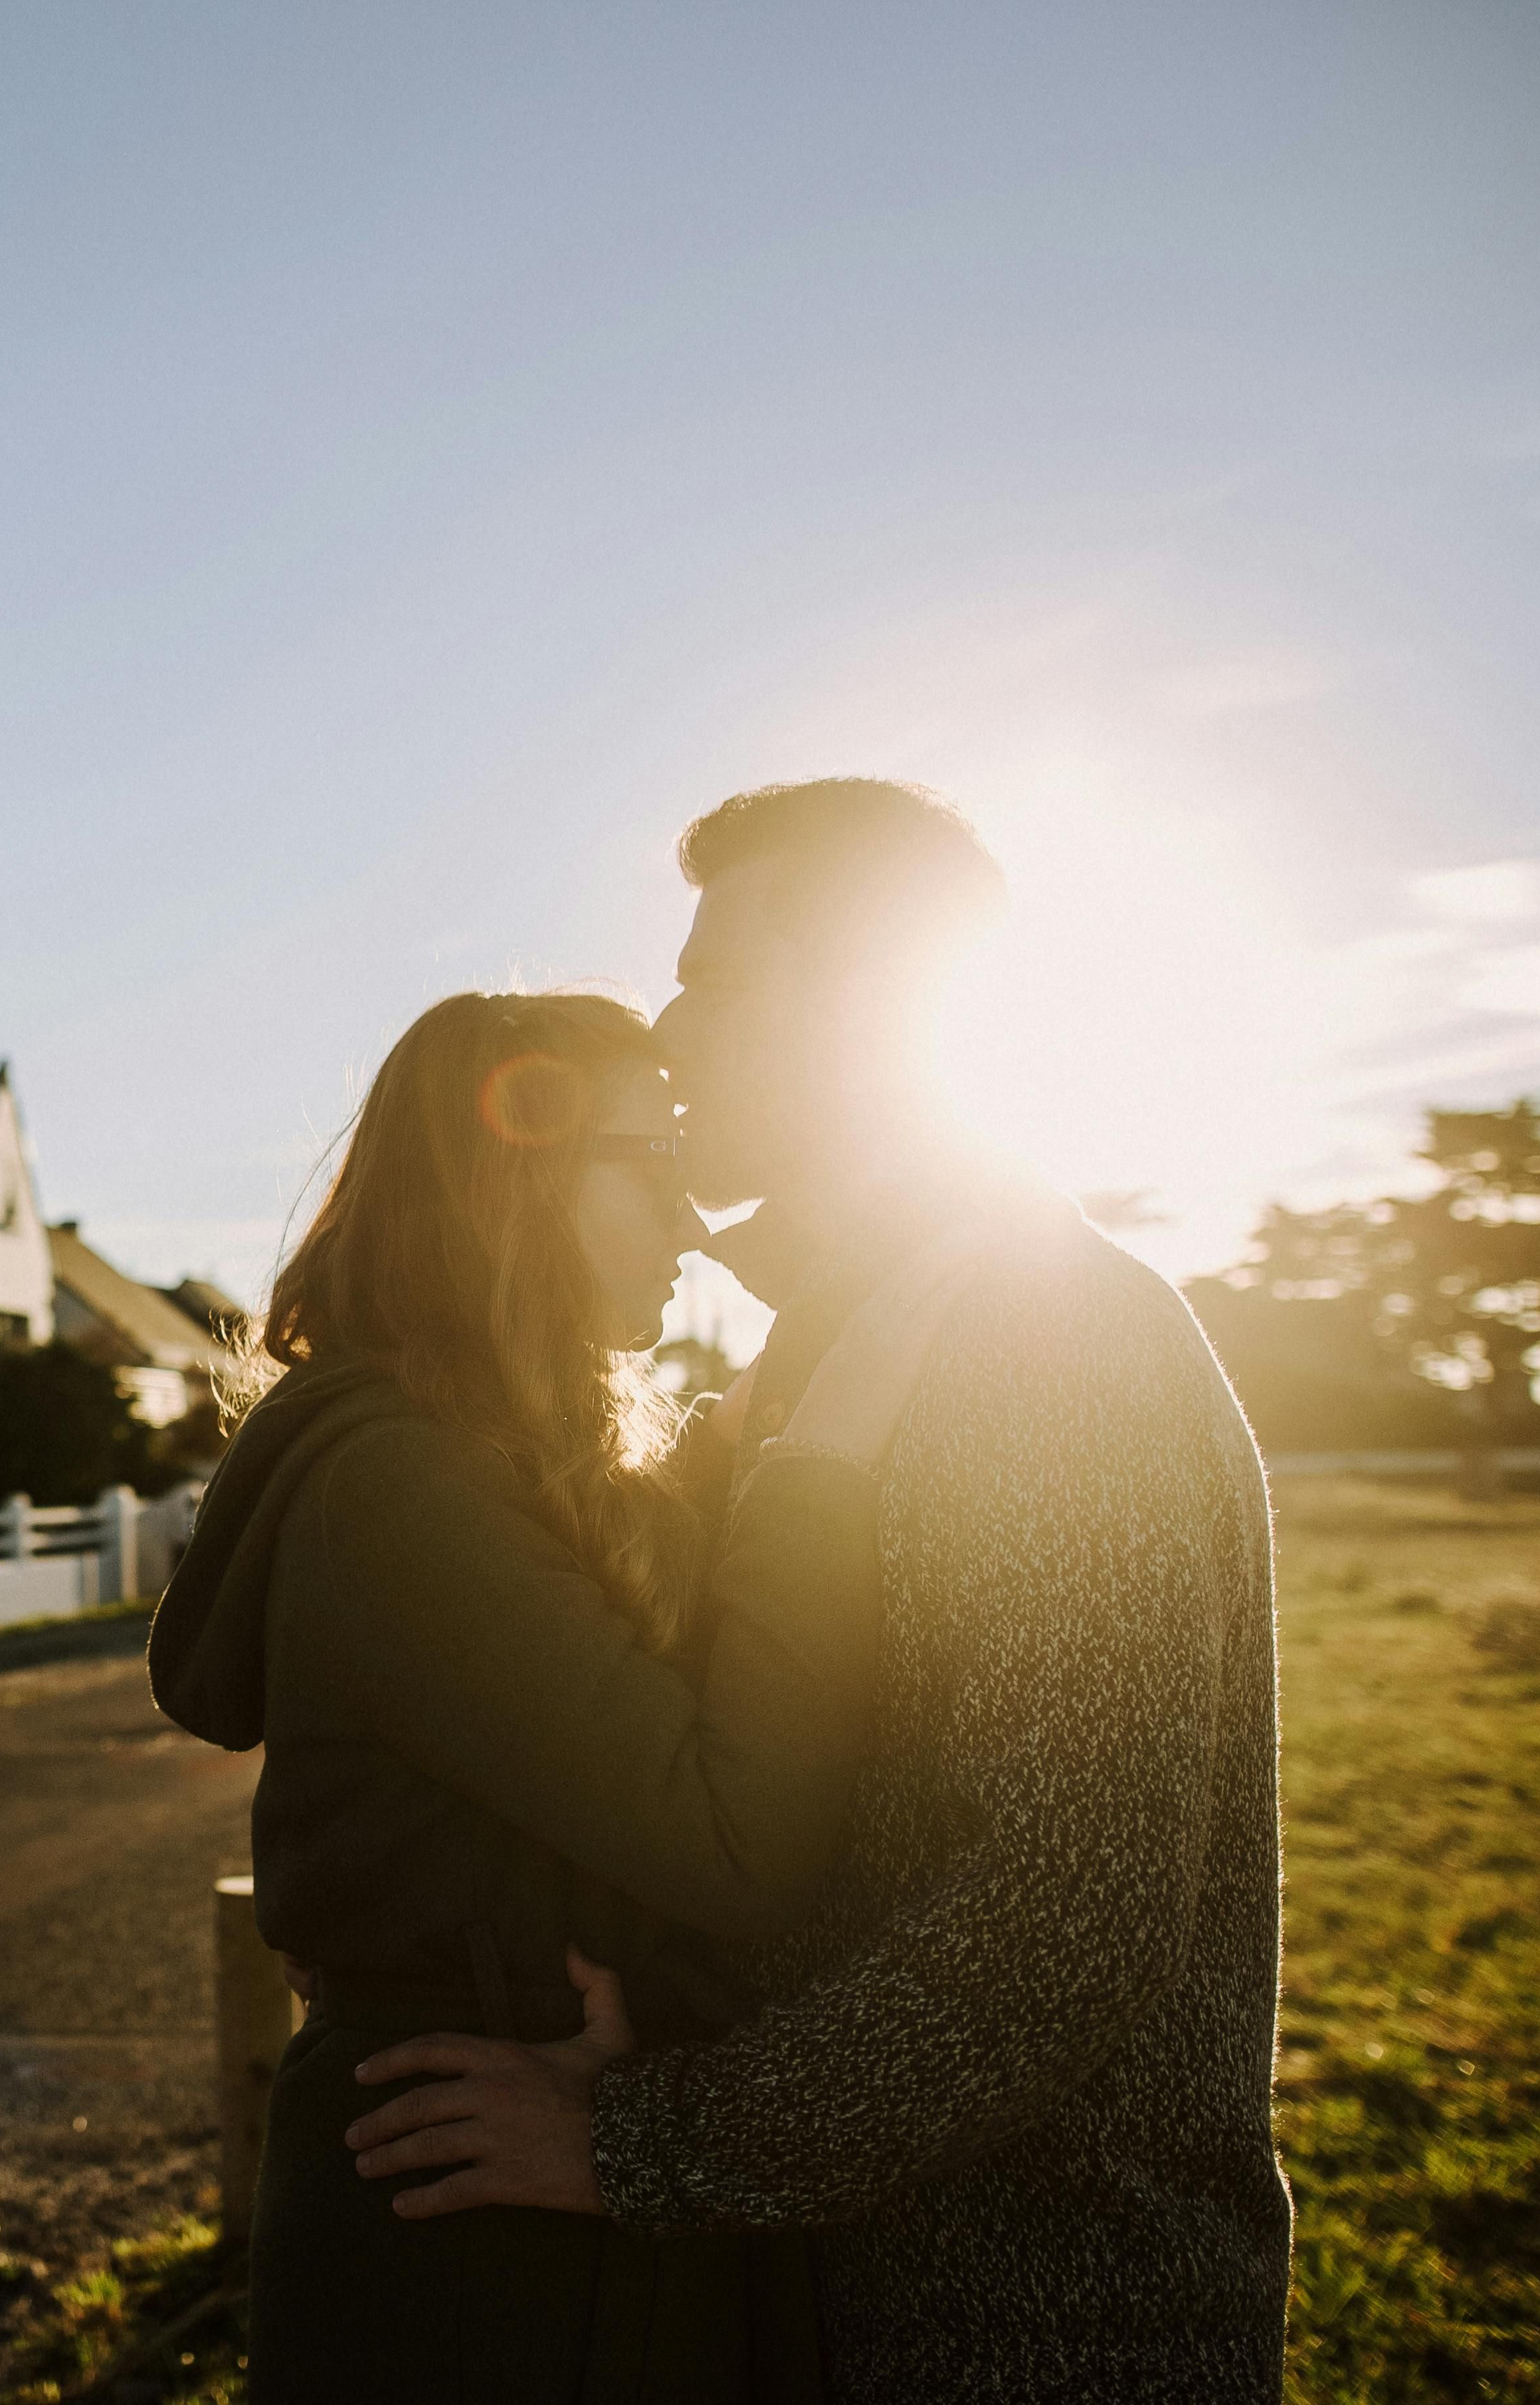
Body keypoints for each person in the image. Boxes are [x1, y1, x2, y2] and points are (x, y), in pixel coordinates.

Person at [335, 781, 1290, 2400]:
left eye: (714, 980)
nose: (671, 1027)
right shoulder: (832, 1350)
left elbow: (1059, 1917)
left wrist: (643, 2142)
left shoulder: (1051, 1342)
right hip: (819, 2297)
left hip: (1036, 2330)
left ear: (864, 1013)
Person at [148, 988, 973, 2403]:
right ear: (511, 1174)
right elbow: (734, 1839)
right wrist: (821, 1468)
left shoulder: (498, 1469)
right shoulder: (393, 1490)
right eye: (649, 1165)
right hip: (467, 2241)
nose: (694, 1219)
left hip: (532, 2209)